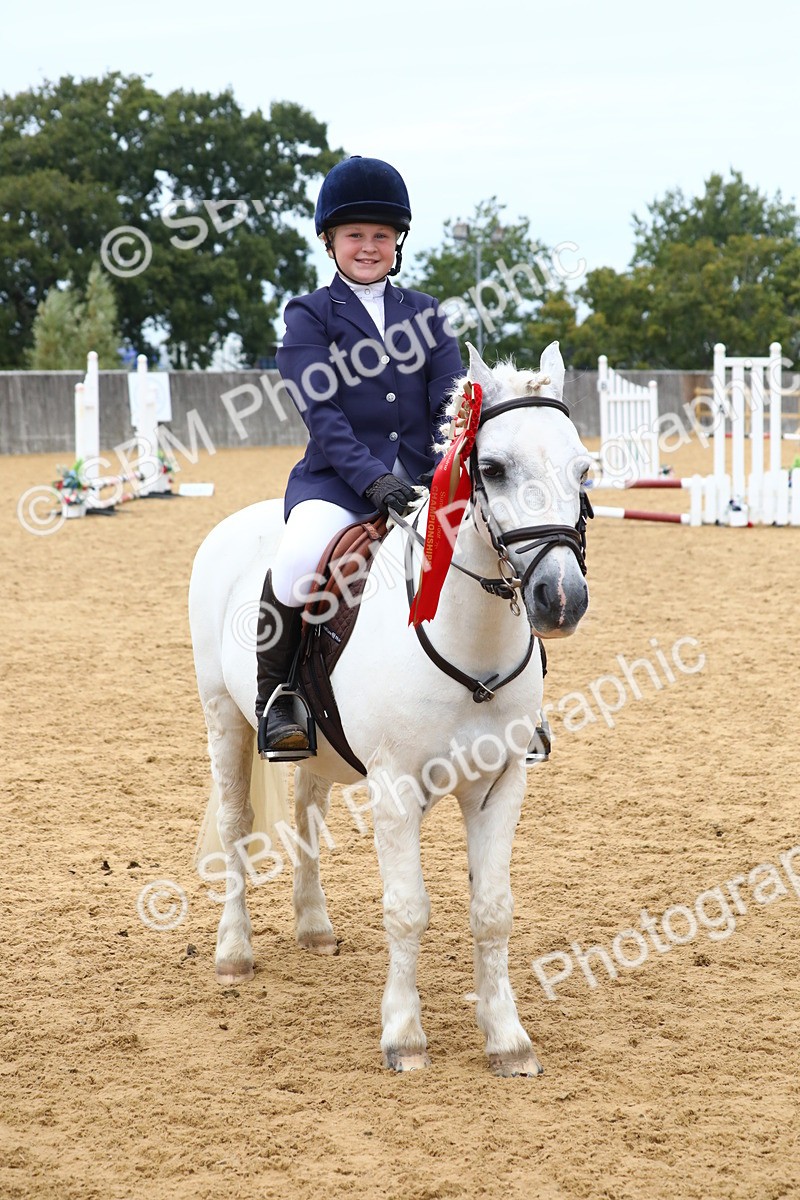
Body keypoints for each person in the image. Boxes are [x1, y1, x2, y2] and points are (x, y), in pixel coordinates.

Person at [255, 156, 464, 757]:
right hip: (338, 486)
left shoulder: (427, 313)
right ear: (331, 241)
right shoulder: (309, 315)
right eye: (355, 235)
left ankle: (518, 700)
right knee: (297, 562)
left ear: (397, 240)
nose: (369, 247)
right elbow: (322, 414)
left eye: (380, 235)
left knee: (495, 547)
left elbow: (451, 402)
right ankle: (281, 698)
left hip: (428, 484)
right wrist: (374, 480)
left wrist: (438, 477)